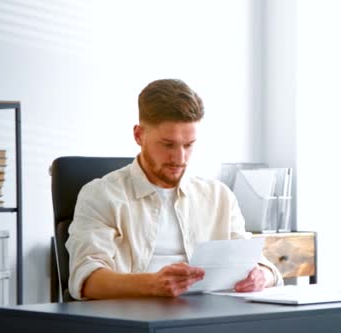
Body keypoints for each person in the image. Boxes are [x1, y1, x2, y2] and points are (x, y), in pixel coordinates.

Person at [66, 79, 283, 300]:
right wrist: (151, 284)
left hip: (206, 320)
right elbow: (86, 280)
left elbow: (261, 266)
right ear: (139, 136)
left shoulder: (219, 197)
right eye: (167, 144)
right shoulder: (101, 195)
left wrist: (262, 276)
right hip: (135, 322)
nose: (180, 158)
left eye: (188, 145)